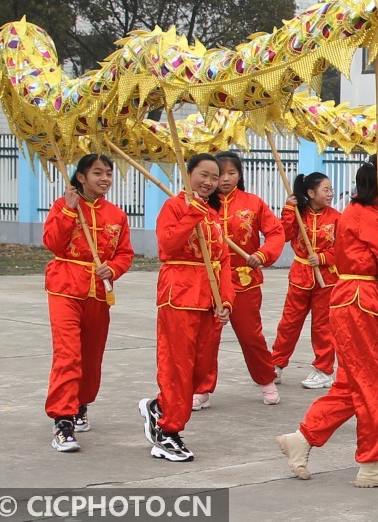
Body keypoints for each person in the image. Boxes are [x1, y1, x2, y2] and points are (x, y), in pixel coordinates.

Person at [276, 154, 378, 487]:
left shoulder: (351, 212)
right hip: (357, 301)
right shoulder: (367, 215)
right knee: (373, 384)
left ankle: (302, 438)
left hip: (350, 297)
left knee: (351, 385)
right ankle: (372, 462)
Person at [138, 153, 234, 463]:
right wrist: (190, 214)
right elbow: (168, 245)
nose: (208, 182)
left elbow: (224, 261)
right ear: (188, 173)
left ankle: (160, 407)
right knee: (177, 365)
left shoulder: (212, 213)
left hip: (209, 299)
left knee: (200, 368)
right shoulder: (176, 206)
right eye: (203, 174)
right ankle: (168, 432)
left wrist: (226, 300)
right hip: (179, 294)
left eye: (214, 177)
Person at [43, 153, 134, 452]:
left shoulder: (117, 215)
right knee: (68, 354)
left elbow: (124, 253)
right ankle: (63, 420)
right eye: (97, 172)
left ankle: (81, 403)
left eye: (108, 172)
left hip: (98, 290)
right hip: (65, 287)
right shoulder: (63, 205)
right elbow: (52, 243)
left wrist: (115, 269)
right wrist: (69, 211)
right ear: (81, 177)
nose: (105, 178)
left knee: (91, 357)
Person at [190, 151, 284, 408]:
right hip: (210, 280)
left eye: (232, 173)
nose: (226, 178)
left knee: (250, 335)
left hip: (244, 280)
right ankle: (202, 389)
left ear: (240, 175)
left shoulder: (253, 203)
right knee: (208, 337)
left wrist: (262, 254)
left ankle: (266, 380)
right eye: (221, 174)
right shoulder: (200, 204)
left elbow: (276, 233)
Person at [270, 172, 341, 390]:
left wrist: (322, 257)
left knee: (323, 327)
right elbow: (284, 234)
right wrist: (289, 209)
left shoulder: (337, 217)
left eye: (330, 189)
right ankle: (276, 364)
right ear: (310, 193)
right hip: (300, 275)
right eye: (325, 190)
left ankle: (324, 369)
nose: (330, 194)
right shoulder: (300, 214)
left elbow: (343, 248)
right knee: (289, 324)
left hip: (326, 278)